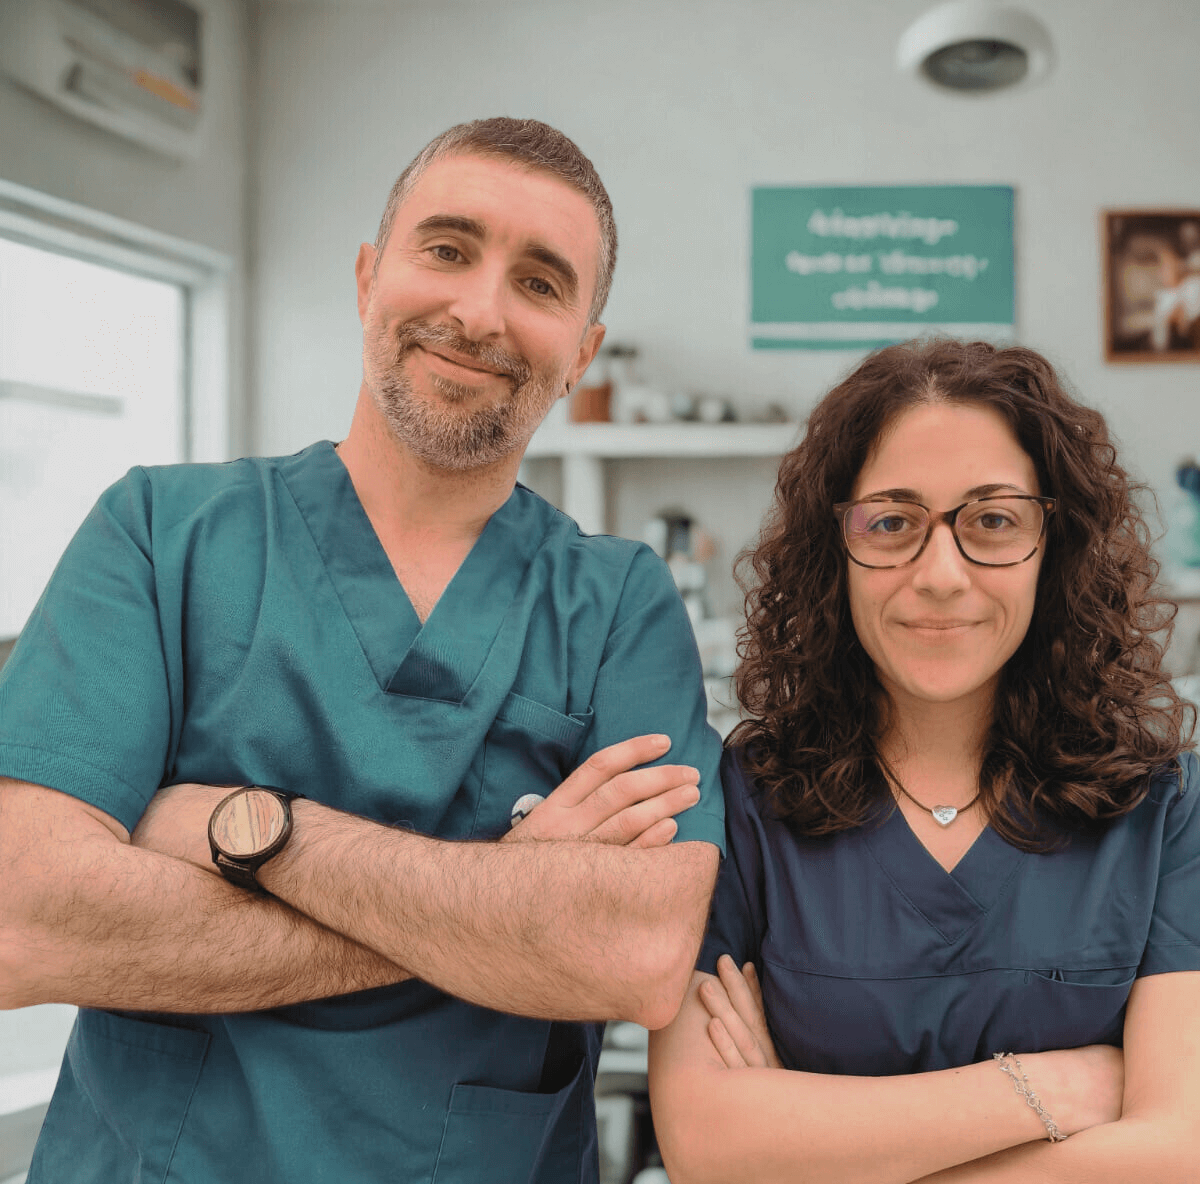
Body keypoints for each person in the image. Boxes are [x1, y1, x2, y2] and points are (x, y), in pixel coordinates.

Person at [0, 117, 724, 1184]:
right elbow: (26, 922)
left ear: (583, 353)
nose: (479, 309)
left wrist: (263, 841)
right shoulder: (160, 536)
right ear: (367, 276)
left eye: (539, 282)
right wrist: (499, 901)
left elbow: (638, 957)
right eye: (446, 249)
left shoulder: (617, 604)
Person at [649, 338, 1200, 1182]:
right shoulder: (745, 803)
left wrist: (812, 1153)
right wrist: (1051, 1090)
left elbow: (1173, 1154)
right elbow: (706, 1146)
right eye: (892, 522)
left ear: (1056, 547)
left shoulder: (1162, 809)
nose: (941, 574)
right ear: (835, 549)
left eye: (993, 520)